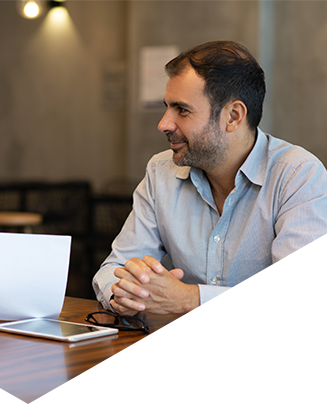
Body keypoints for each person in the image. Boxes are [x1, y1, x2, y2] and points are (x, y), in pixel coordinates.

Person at [93, 40, 327, 402]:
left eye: (181, 110)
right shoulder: (160, 172)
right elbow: (114, 269)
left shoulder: (298, 174)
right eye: (166, 107)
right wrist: (127, 293)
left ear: (233, 116)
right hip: (182, 369)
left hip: (280, 381)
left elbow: (308, 303)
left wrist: (188, 299)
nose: (163, 123)